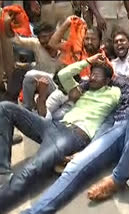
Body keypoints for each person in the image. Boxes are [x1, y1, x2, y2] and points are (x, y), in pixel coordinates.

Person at [21, 51, 129, 214]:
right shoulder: (122, 83)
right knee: (76, 166)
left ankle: (119, 178)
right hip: (118, 128)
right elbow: (81, 77)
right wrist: (91, 62)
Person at [0, 53, 121, 212]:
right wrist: (88, 61)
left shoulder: (114, 93)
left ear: (107, 81)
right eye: (91, 73)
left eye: (96, 75)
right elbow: (63, 75)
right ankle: (3, 172)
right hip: (53, 126)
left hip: (72, 135)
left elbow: (126, 84)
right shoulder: (84, 89)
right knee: (5, 108)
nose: (91, 77)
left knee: (31, 169)